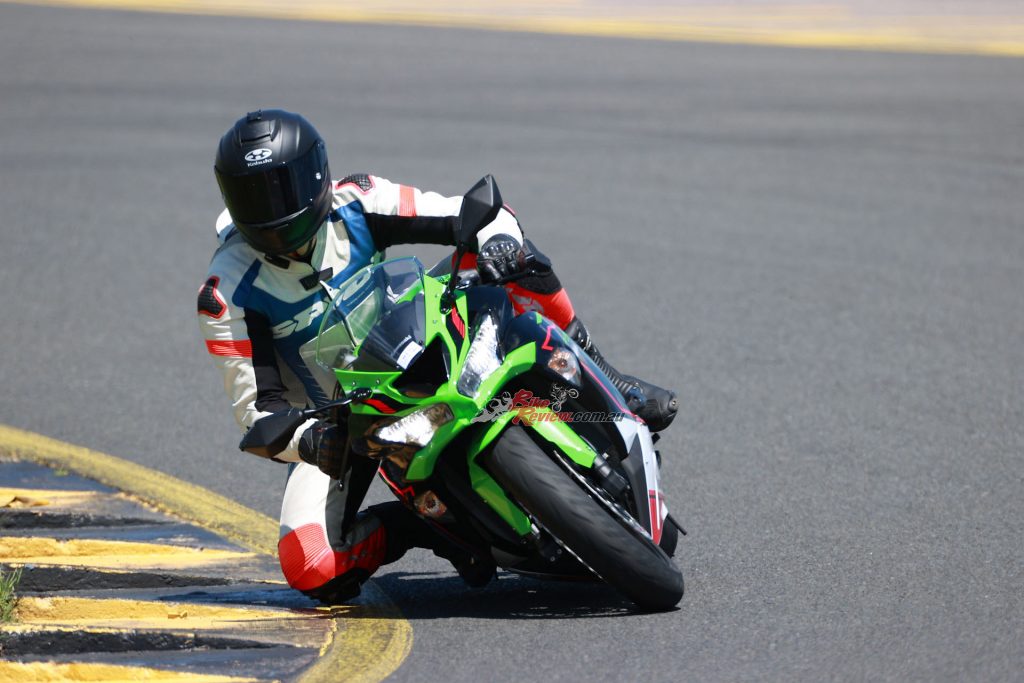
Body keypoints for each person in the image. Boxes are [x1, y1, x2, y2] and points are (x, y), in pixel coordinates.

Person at [197, 109, 678, 603]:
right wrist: (312, 440)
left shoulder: (358, 199)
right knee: (311, 564)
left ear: (315, 175)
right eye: (253, 196)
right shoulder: (225, 293)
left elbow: (477, 215)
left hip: (420, 328)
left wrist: (500, 245)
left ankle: (609, 376)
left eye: (282, 189)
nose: (272, 211)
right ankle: (421, 528)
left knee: (521, 259)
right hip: (349, 418)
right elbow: (258, 410)